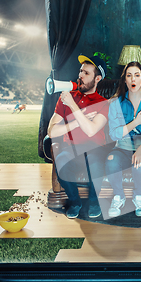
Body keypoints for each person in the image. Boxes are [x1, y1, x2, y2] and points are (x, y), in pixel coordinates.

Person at [47, 53, 109, 219]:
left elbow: (91, 131)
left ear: (97, 79)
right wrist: (74, 122)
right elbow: (51, 132)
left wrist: (73, 107)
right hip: (72, 149)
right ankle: (75, 202)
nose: (80, 75)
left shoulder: (103, 103)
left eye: (86, 73)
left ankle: (95, 202)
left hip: (95, 148)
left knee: (94, 161)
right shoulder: (67, 98)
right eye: (80, 71)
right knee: (61, 162)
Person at [105, 61, 141, 217]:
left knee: (140, 164)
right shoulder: (116, 103)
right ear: (125, 80)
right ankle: (119, 196)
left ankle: (138, 196)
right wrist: (136, 122)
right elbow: (114, 134)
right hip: (121, 147)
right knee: (111, 161)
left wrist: (140, 150)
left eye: (137, 75)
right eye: (129, 76)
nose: (133, 79)